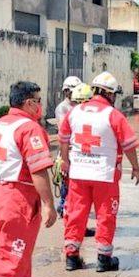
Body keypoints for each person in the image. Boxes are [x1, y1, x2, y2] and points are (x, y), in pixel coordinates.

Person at [0, 81, 57, 277]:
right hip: (17, 198)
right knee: (10, 258)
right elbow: (38, 169)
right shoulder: (29, 128)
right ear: (29, 102)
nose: (41, 106)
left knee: (15, 252)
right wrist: (49, 205)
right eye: (38, 101)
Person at [59, 72, 139, 272]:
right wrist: (136, 167)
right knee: (106, 215)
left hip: (78, 174)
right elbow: (128, 145)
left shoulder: (75, 112)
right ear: (110, 94)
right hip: (104, 175)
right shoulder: (113, 115)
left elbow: (63, 139)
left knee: (76, 214)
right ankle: (104, 259)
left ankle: (71, 257)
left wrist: (66, 162)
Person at [52, 76, 82, 217]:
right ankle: (63, 204)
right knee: (66, 179)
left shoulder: (80, 105)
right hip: (67, 148)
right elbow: (64, 129)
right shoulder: (62, 108)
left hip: (78, 147)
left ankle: (70, 205)